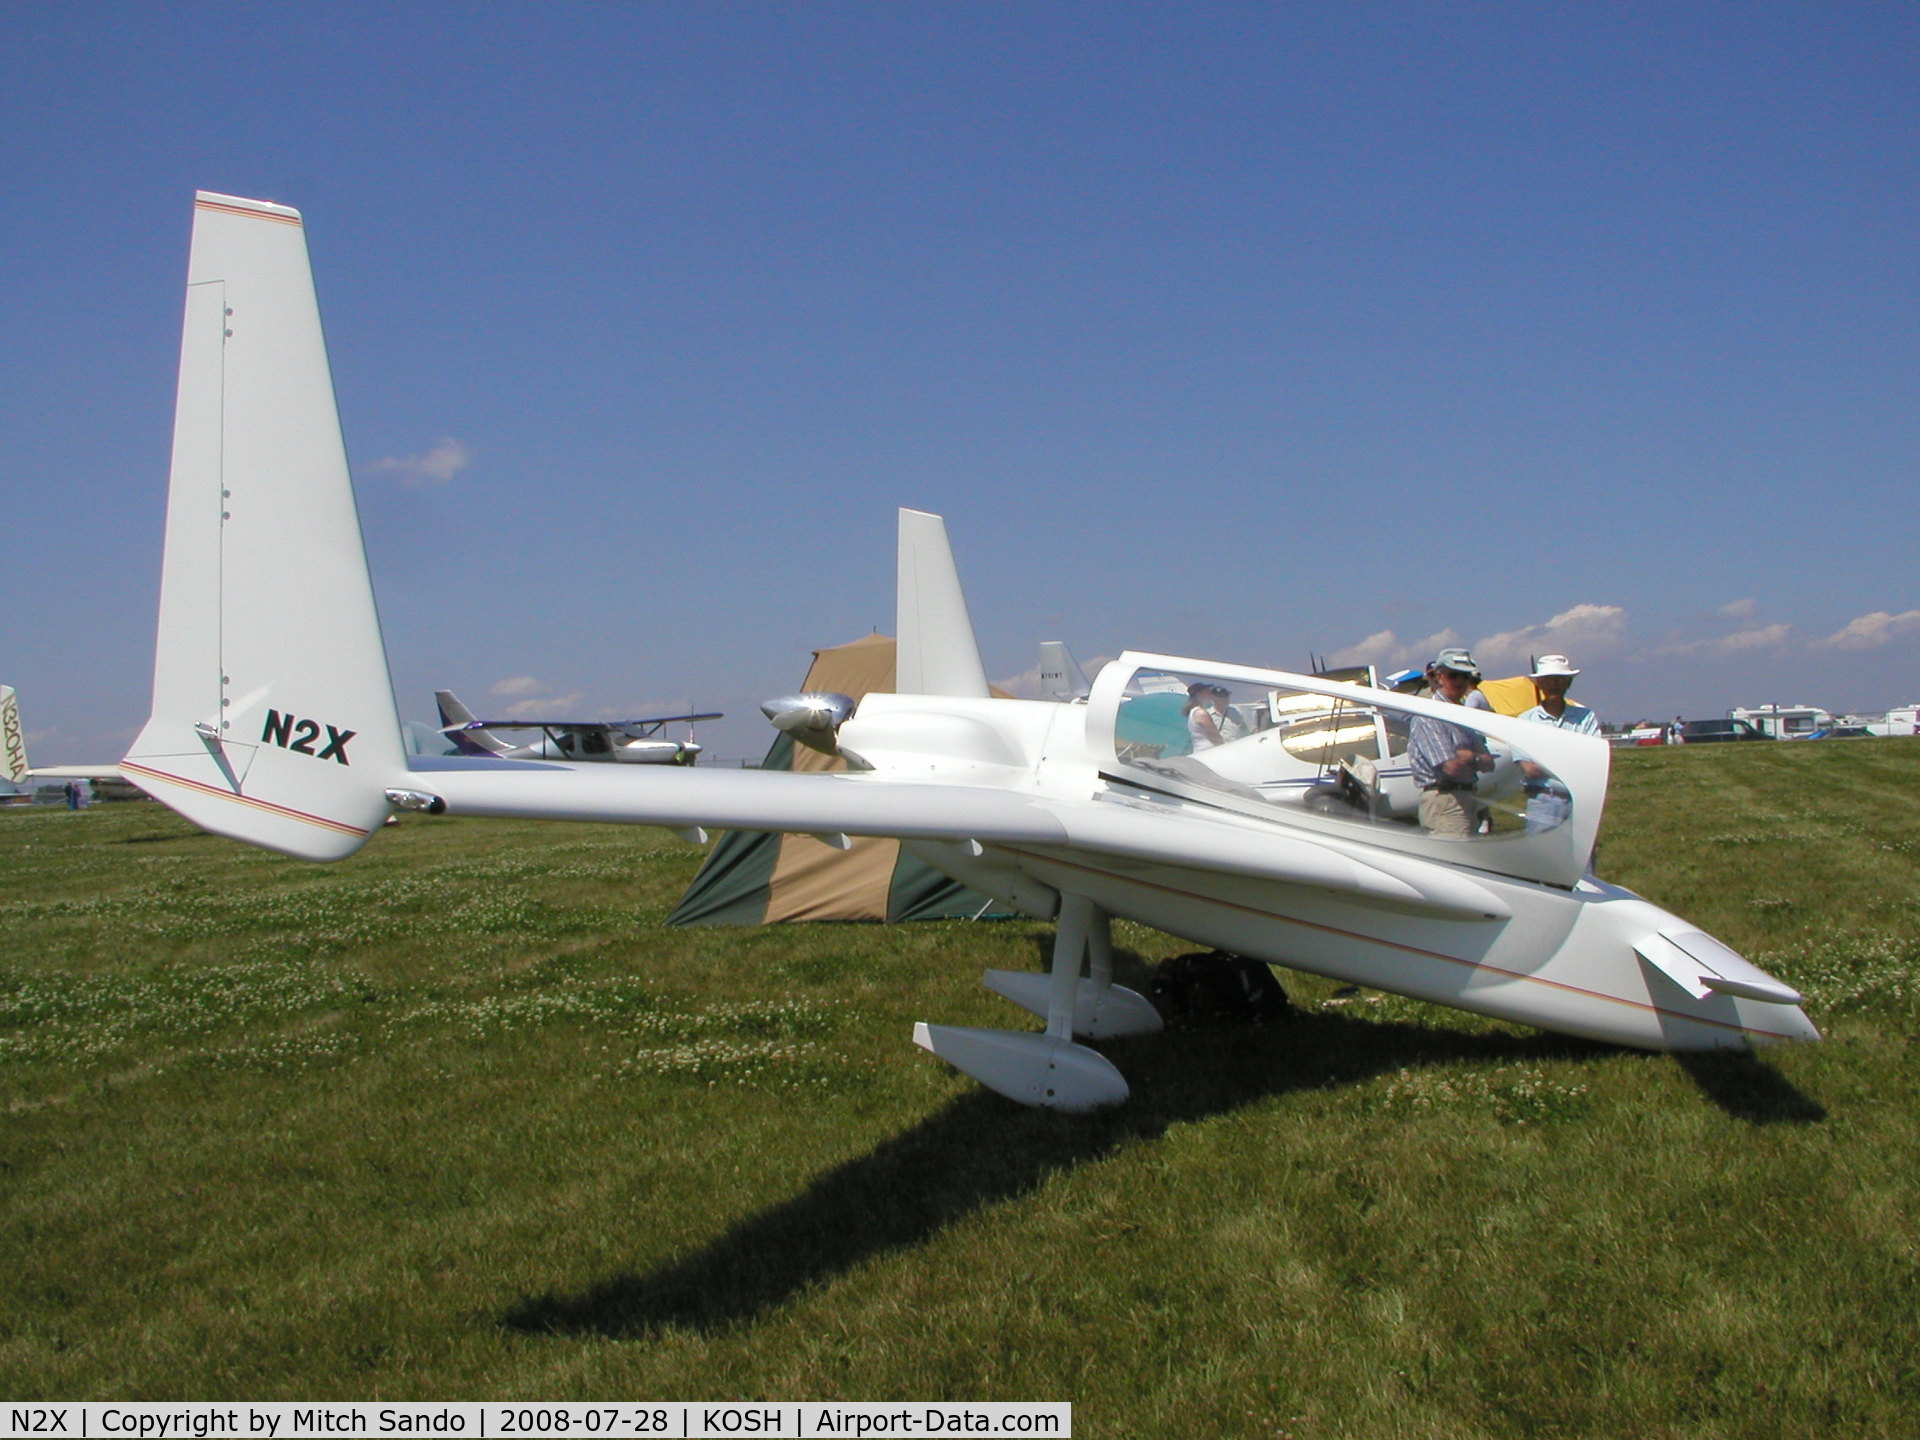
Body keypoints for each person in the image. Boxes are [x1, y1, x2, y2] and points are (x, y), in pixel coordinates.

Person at [1408, 651, 1493, 836]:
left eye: (1464, 676)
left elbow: (1489, 763)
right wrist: (1475, 758)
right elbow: (1451, 768)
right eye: (1453, 675)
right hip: (1445, 799)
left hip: (1467, 797)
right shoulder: (1429, 715)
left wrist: (1469, 757)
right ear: (1439, 677)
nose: (1459, 681)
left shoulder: (1464, 715)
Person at [1515, 654, 1598, 833]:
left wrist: (1545, 760)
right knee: (1542, 859)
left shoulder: (1585, 716)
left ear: (1568, 683)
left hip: (1580, 802)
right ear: (1539, 684)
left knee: (1581, 859)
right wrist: (1572, 759)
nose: (1554, 685)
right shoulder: (1524, 721)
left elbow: (1593, 759)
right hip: (1543, 801)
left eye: (1559, 680)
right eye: (1548, 680)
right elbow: (1528, 768)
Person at [1183, 683, 1238, 752]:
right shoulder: (1201, 713)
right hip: (1208, 752)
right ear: (1199, 694)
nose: (1210, 694)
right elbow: (1215, 737)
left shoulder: (1194, 711)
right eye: (1207, 692)